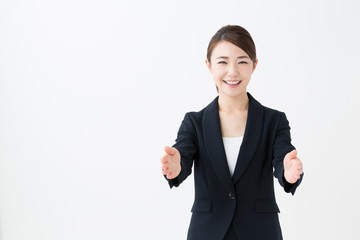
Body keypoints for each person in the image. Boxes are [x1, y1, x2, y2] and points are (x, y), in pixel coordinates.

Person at [160, 25, 304, 240]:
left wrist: (288, 170)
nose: (232, 71)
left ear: (254, 66)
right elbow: (182, 155)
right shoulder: (195, 122)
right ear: (209, 66)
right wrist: (175, 165)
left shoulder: (274, 121)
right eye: (223, 62)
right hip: (207, 231)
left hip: (260, 231)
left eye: (242, 61)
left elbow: (283, 157)